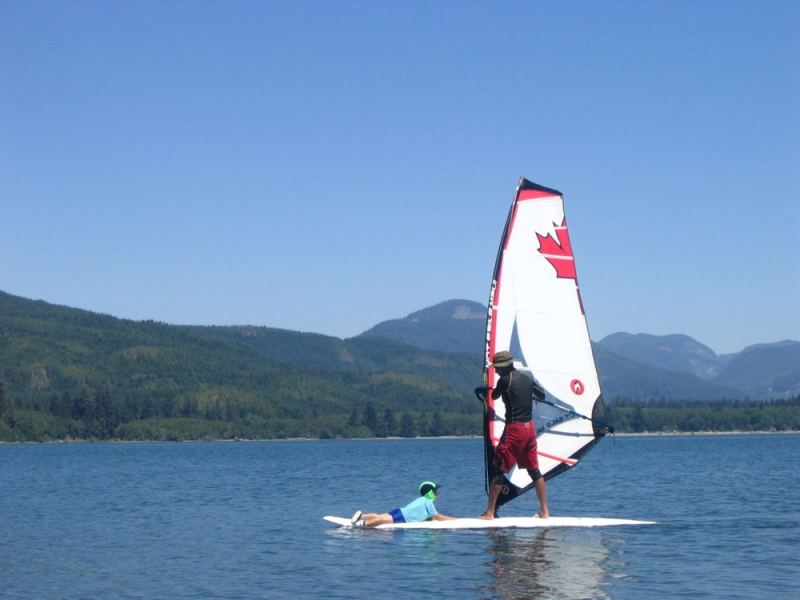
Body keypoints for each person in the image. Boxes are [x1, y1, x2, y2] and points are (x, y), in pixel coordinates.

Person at [476, 350, 550, 519]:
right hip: (529, 429)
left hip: (514, 429)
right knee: (534, 470)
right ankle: (545, 511)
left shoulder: (504, 381)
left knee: (498, 467)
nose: (498, 371)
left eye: (498, 368)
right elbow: (542, 395)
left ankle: (489, 513)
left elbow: (493, 396)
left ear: (504, 367)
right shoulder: (527, 378)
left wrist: (486, 390)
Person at [350, 481, 457, 527]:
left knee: (381, 516)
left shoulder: (422, 500)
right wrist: (456, 520)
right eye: (435, 491)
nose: (437, 494)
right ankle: (363, 524)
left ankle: (362, 516)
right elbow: (437, 517)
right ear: (430, 493)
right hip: (402, 517)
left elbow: (428, 517)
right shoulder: (428, 501)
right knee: (382, 519)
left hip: (400, 512)